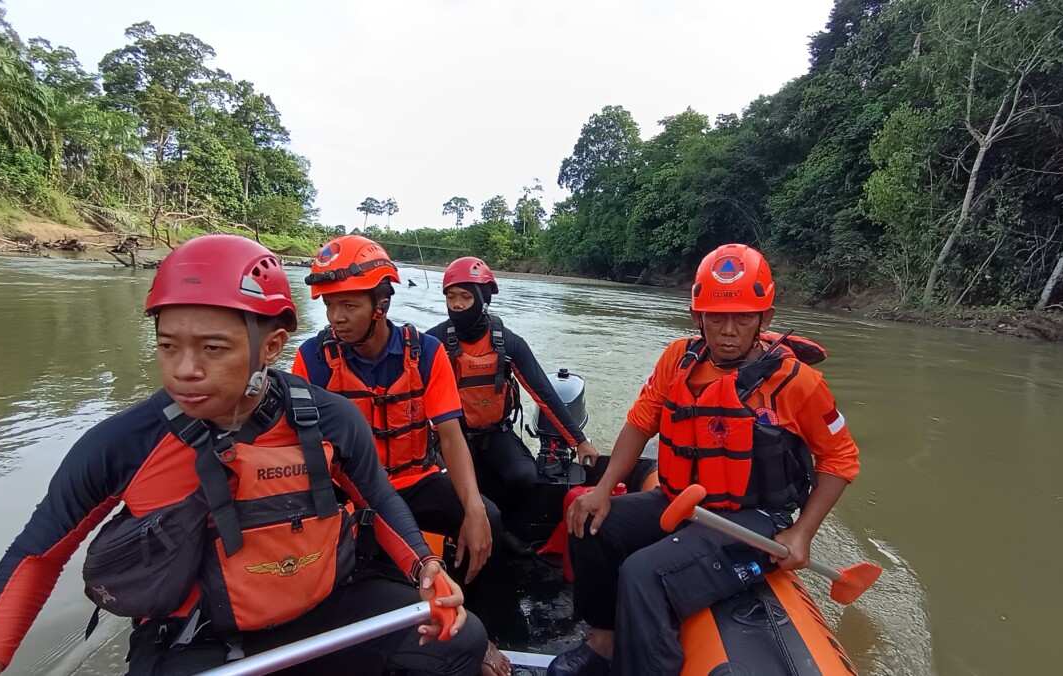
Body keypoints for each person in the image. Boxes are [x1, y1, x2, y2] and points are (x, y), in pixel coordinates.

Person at [0, 235, 485, 676]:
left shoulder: (331, 420)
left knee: (460, 640)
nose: (184, 369)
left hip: (323, 614)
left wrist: (427, 568)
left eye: (212, 348)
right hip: (197, 641)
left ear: (272, 347)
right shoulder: (124, 443)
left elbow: (382, 501)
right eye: (167, 345)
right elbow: (37, 556)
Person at [549, 244, 861, 676]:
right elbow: (641, 423)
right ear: (699, 317)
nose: (728, 330)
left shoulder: (797, 384)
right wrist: (602, 491)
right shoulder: (678, 359)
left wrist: (802, 533)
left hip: (752, 519)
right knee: (589, 525)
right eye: (716, 317)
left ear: (764, 319)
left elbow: (840, 458)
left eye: (743, 318)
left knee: (643, 574)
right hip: (677, 501)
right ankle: (605, 642)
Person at [290, 236, 511, 675]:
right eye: (330, 305)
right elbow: (302, 451)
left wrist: (472, 508)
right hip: (352, 495)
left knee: (489, 516)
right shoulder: (312, 359)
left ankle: (487, 632)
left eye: (349, 305)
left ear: (381, 305)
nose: (337, 318)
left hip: (416, 481)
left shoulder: (425, 353)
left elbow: (451, 435)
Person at [425, 257, 600, 548]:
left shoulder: (507, 343)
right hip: (451, 437)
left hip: (495, 432)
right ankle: (478, 531)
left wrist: (579, 440)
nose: (457, 305)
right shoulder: (434, 342)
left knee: (525, 477)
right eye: (451, 297)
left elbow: (543, 392)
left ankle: (502, 522)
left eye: (466, 297)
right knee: (451, 489)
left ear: (483, 300)